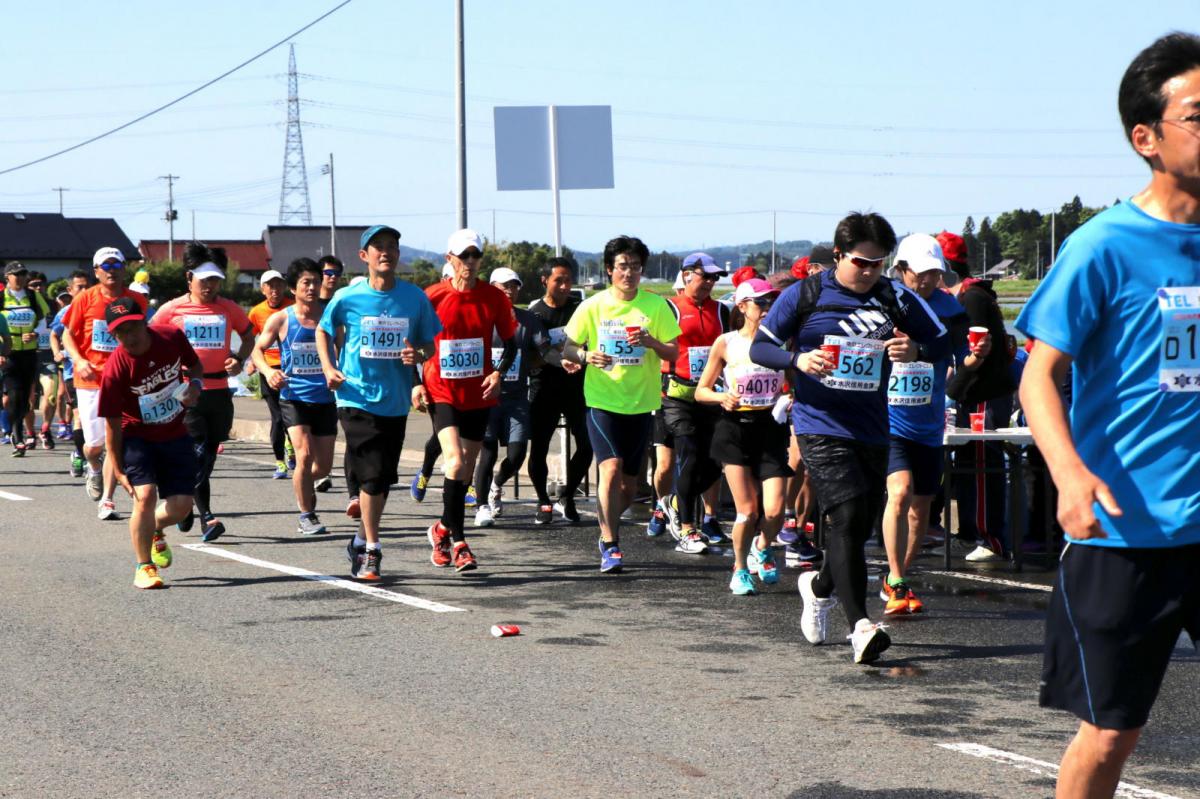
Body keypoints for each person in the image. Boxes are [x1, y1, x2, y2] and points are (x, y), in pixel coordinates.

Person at [1018, 33, 1200, 799]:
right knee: (1110, 734)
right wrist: (1069, 472)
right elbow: (1038, 376)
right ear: (1147, 138)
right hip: (1127, 533)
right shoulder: (1104, 246)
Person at [750, 212, 948, 664]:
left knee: (855, 526)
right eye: (861, 262)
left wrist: (916, 349)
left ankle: (819, 587)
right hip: (819, 422)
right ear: (838, 255)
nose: (870, 272)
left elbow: (942, 340)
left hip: (874, 425)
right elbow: (761, 347)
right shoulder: (805, 294)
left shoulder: (894, 296)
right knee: (848, 512)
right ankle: (860, 625)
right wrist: (797, 360)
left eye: (879, 263)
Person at [318, 224, 439, 580]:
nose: (385, 252)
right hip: (354, 394)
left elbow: (429, 346)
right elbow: (323, 330)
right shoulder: (348, 297)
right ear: (364, 257)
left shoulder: (414, 298)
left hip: (395, 399)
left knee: (383, 478)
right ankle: (373, 550)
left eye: (391, 246)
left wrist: (416, 353)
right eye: (378, 247)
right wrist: (328, 367)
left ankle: (359, 539)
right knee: (371, 474)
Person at [562, 235, 681, 573]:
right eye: (623, 267)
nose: (629, 273)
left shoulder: (655, 306)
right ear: (610, 270)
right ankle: (611, 544)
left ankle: (609, 524)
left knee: (629, 487)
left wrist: (651, 341)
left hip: (641, 404)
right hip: (602, 401)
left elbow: (673, 352)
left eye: (635, 267)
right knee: (609, 469)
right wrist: (586, 355)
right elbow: (568, 348)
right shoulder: (593, 306)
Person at [879, 234, 972, 615]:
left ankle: (895, 574)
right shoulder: (884, 302)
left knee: (921, 508)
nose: (929, 280)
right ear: (901, 271)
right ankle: (899, 581)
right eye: (921, 273)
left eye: (935, 273)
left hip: (929, 421)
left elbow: (962, 357)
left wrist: (976, 356)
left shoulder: (950, 308)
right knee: (899, 493)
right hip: (889, 419)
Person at [418, 229, 518, 572]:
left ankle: (441, 529)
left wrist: (498, 373)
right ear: (450, 259)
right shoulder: (432, 297)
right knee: (456, 463)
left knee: (463, 474)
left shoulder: (493, 297)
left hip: (478, 392)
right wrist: (416, 383)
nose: (470, 262)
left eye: (476, 256)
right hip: (441, 390)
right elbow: (412, 345)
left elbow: (512, 343)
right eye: (464, 256)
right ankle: (460, 542)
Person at [97, 297, 202, 589]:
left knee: (181, 507)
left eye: (132, 328)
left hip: (174, 432)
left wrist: (195, 386)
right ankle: (144, 567)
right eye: (120, 332)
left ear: (145, 322)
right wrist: (117, 469)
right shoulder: (115, 369)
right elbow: (112, 424)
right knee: (144, 496)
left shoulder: (171, 336)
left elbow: (195, 367)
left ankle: (154, 527)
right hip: (136, 436)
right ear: (113, 335)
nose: (128, 337)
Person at [153, 243, 254, 542]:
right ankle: (206, 518)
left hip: (221, 389)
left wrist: (238, 358)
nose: (210, 286)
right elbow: (148, 340)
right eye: (203, 279)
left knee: (208, 454)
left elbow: (249, 336)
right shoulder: (171, 310)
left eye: (215, 279)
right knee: (197, 452)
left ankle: (181, 505)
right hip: (186, 389)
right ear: (189, 278)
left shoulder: (229, 308)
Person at [695, 278, 791, 594]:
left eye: (771, 303)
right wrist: (721, 397)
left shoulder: (782, 342)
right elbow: (701, 391)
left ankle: (762, 547)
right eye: (760, 303)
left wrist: (788, 399)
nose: (767, 309)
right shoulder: (726, 342)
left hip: (770, 428)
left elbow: (795, 382)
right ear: (742, 306)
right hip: (734, 429)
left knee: (775, 510)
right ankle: (739, 569)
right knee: (748, 511)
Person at [938, 230, 1010, 563]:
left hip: (983, 393)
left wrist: (949, 392)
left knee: (983, 465)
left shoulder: (972, 299)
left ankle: (990, 537)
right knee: (968, 465)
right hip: (972, 393)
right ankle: (970, 530)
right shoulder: (966, 296)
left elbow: (978, 353)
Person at [253, 258, 337, 536]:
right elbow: (257, 350)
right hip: (293, 396)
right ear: (294, 287)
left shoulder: (329, 315)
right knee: (304, 455)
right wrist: (267, 371)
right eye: (306, 282)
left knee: (322, 466)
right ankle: (306, 515)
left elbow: (345, 347)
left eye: (316, 281)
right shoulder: (281, 319)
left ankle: (302, 485)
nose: (313, 287)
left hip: (325, 398)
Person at [62, 248, 148, 516]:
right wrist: (79, 360)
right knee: (95, 445)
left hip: (125, 378)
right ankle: (93, 466)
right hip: (91, 380)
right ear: (96, 271)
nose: (112, 270)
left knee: (116, 440)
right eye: (105, 266)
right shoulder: (85, 299)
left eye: (117, 265)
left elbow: (145, 333)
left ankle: (108, 500)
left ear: (125, 269)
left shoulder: (136, 300)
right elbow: (67, 335)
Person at [472, 267, 560, 527]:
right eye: (503, 286)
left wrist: (565, 360)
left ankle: (497, 484)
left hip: (517, 399)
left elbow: (545, 350)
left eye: (513, 286)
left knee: (517, 454)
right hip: (486, 398)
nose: (509, 291)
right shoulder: (479, 318)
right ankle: (481, 507)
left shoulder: (528, 320)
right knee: (486, 453)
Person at [658, 253, 732, 553]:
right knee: (687, 452)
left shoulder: (721, 310)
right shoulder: (670, 308)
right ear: (687, 275)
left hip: (710, 394)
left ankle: (676, 501)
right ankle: (688, 528)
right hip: (677, 394)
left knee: (716, 461)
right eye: (706, 276)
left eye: (715, 278)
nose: (711, 283)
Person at [525, 257, 592, 525]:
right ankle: (543, 501)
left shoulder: (581, 309)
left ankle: (567, 494)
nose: (565, 286)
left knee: (587, 446)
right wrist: (557, 354)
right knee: (539, 447)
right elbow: (530, 357)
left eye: (568, 280)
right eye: (558, 280)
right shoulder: (534, 314)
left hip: (579, 388)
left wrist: (579, 353)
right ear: (545, 281)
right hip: (545, 386)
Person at [248, 269, 295, 480]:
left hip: (293, 370)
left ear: (285, 287)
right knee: (277, 418)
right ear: (263, 289)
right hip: (268, 370)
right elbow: (250, 340)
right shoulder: (256, 312)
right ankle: (280, 462)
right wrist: (249, 362)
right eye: (270, 286)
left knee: (294, 416)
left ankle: (292, 446)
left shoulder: (293, 307)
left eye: (278, 285)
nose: (274, 290)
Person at [2, 261, 51, 456]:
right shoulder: (1, 297)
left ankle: (17, 427)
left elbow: (43, 320)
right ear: (8, 277)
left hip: (29, 352)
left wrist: (36, 334)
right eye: (16, 274)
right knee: (13, 394)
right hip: (8, 352)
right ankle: (17, 435)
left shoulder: (32, 295)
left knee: (25, 399)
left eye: (23, 274)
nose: (20, 278)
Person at [50, 271, 90, 476]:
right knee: (79, 416)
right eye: (79, 287)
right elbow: (54, 335)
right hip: (72, 372)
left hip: (96, 373)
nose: (83, 291)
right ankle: (79, 455)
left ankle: (95, 456)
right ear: (70, 290)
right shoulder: (65, 312)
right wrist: (57, 352)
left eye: (86, 286)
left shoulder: (98, 308)